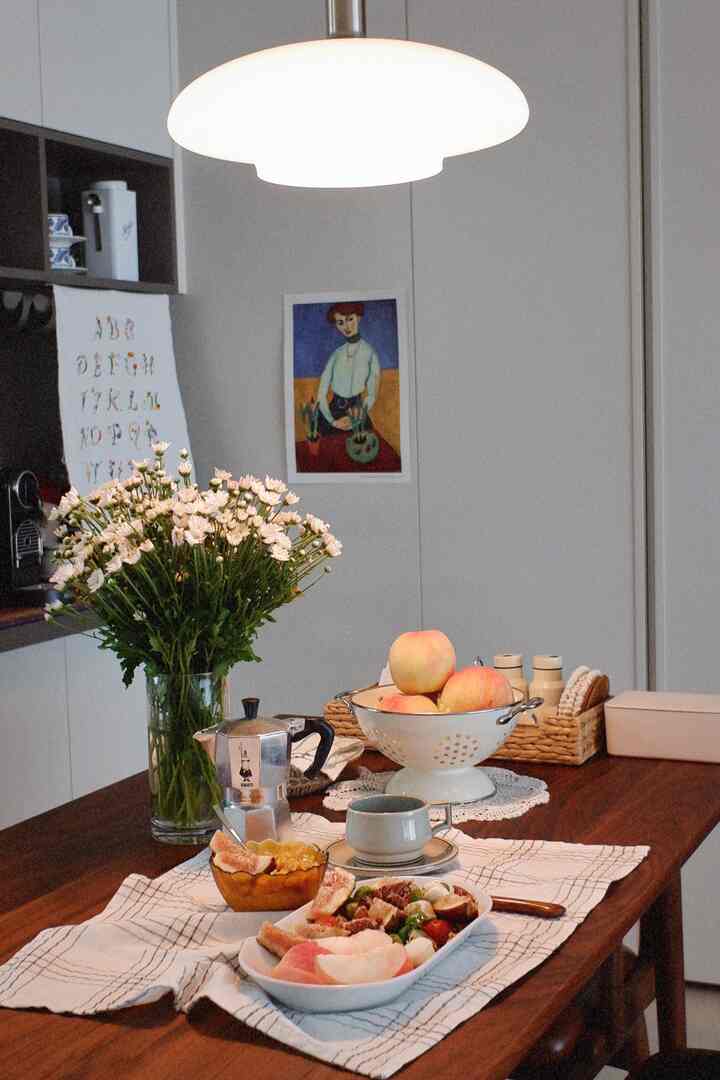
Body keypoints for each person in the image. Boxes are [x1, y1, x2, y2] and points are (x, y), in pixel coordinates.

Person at [316, 302, 381, 435]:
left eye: (350, 319)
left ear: (358, 318)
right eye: (340, 322)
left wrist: (359, 414)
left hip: (358, 412)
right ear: (336, 326)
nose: (346, 326)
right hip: (333, 414)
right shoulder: (335, 355)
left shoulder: (370, 353)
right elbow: (320, 395)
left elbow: (372, 394)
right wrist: (333, 421)